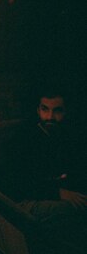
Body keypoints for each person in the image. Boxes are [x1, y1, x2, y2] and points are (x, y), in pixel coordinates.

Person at [15, 84, 87, 251]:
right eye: (45, 109)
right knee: (75, 209)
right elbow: (21, 184)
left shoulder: (69, 136)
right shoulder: (25, 138)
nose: (50, 116)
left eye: (57, 111)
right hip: (28, 201)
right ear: (38, 110)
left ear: (66, 112)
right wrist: (59, 192)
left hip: (57, 194)